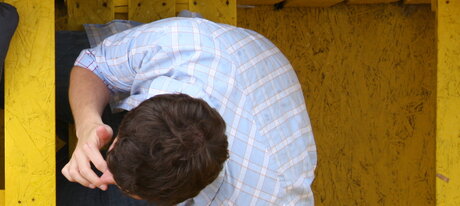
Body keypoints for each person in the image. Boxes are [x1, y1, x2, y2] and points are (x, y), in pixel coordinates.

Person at [59, 15, 317, 205]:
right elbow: (95, 65)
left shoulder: (270, 197)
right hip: (218, 57)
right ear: (140, 108)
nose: (107, 175)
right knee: (45, 64)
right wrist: (87, 125)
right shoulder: (183, 46)